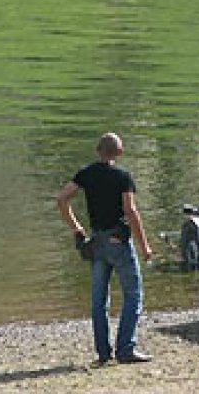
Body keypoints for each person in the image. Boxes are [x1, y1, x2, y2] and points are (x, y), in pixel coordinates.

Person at [56, 132, 153, 366]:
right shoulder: (123, 177)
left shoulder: (86, 174)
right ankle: (126, 348)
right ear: (120, 153)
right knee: (133, 294)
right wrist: (145, 246)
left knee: (99, 300)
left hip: (97, 241)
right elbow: (130, 211)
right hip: (119, 241)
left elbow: (62, 200)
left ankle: (103, 352)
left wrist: (78, 230)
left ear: (97, 150)